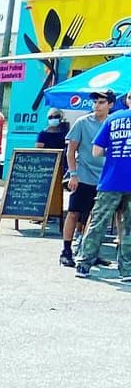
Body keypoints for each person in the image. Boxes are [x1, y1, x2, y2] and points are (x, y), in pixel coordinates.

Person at [75, 93, 131, 279]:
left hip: (110, 180)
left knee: (98, 223)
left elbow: (97, 150)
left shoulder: (113, 119)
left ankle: (83, 264)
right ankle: (127, 269)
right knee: (128, 227)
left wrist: (116, 151)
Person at [60, 90, 115, 267]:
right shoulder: (82, 122)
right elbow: (71, 150)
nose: (97, 105)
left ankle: (89, 251)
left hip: (105, 177)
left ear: (110, 105)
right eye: (95, 102)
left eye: (101, 102)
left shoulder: (113, 123)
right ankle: (66, 251)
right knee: (74, 212)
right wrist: (73, 174)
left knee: (95, 215)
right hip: (83, 174)